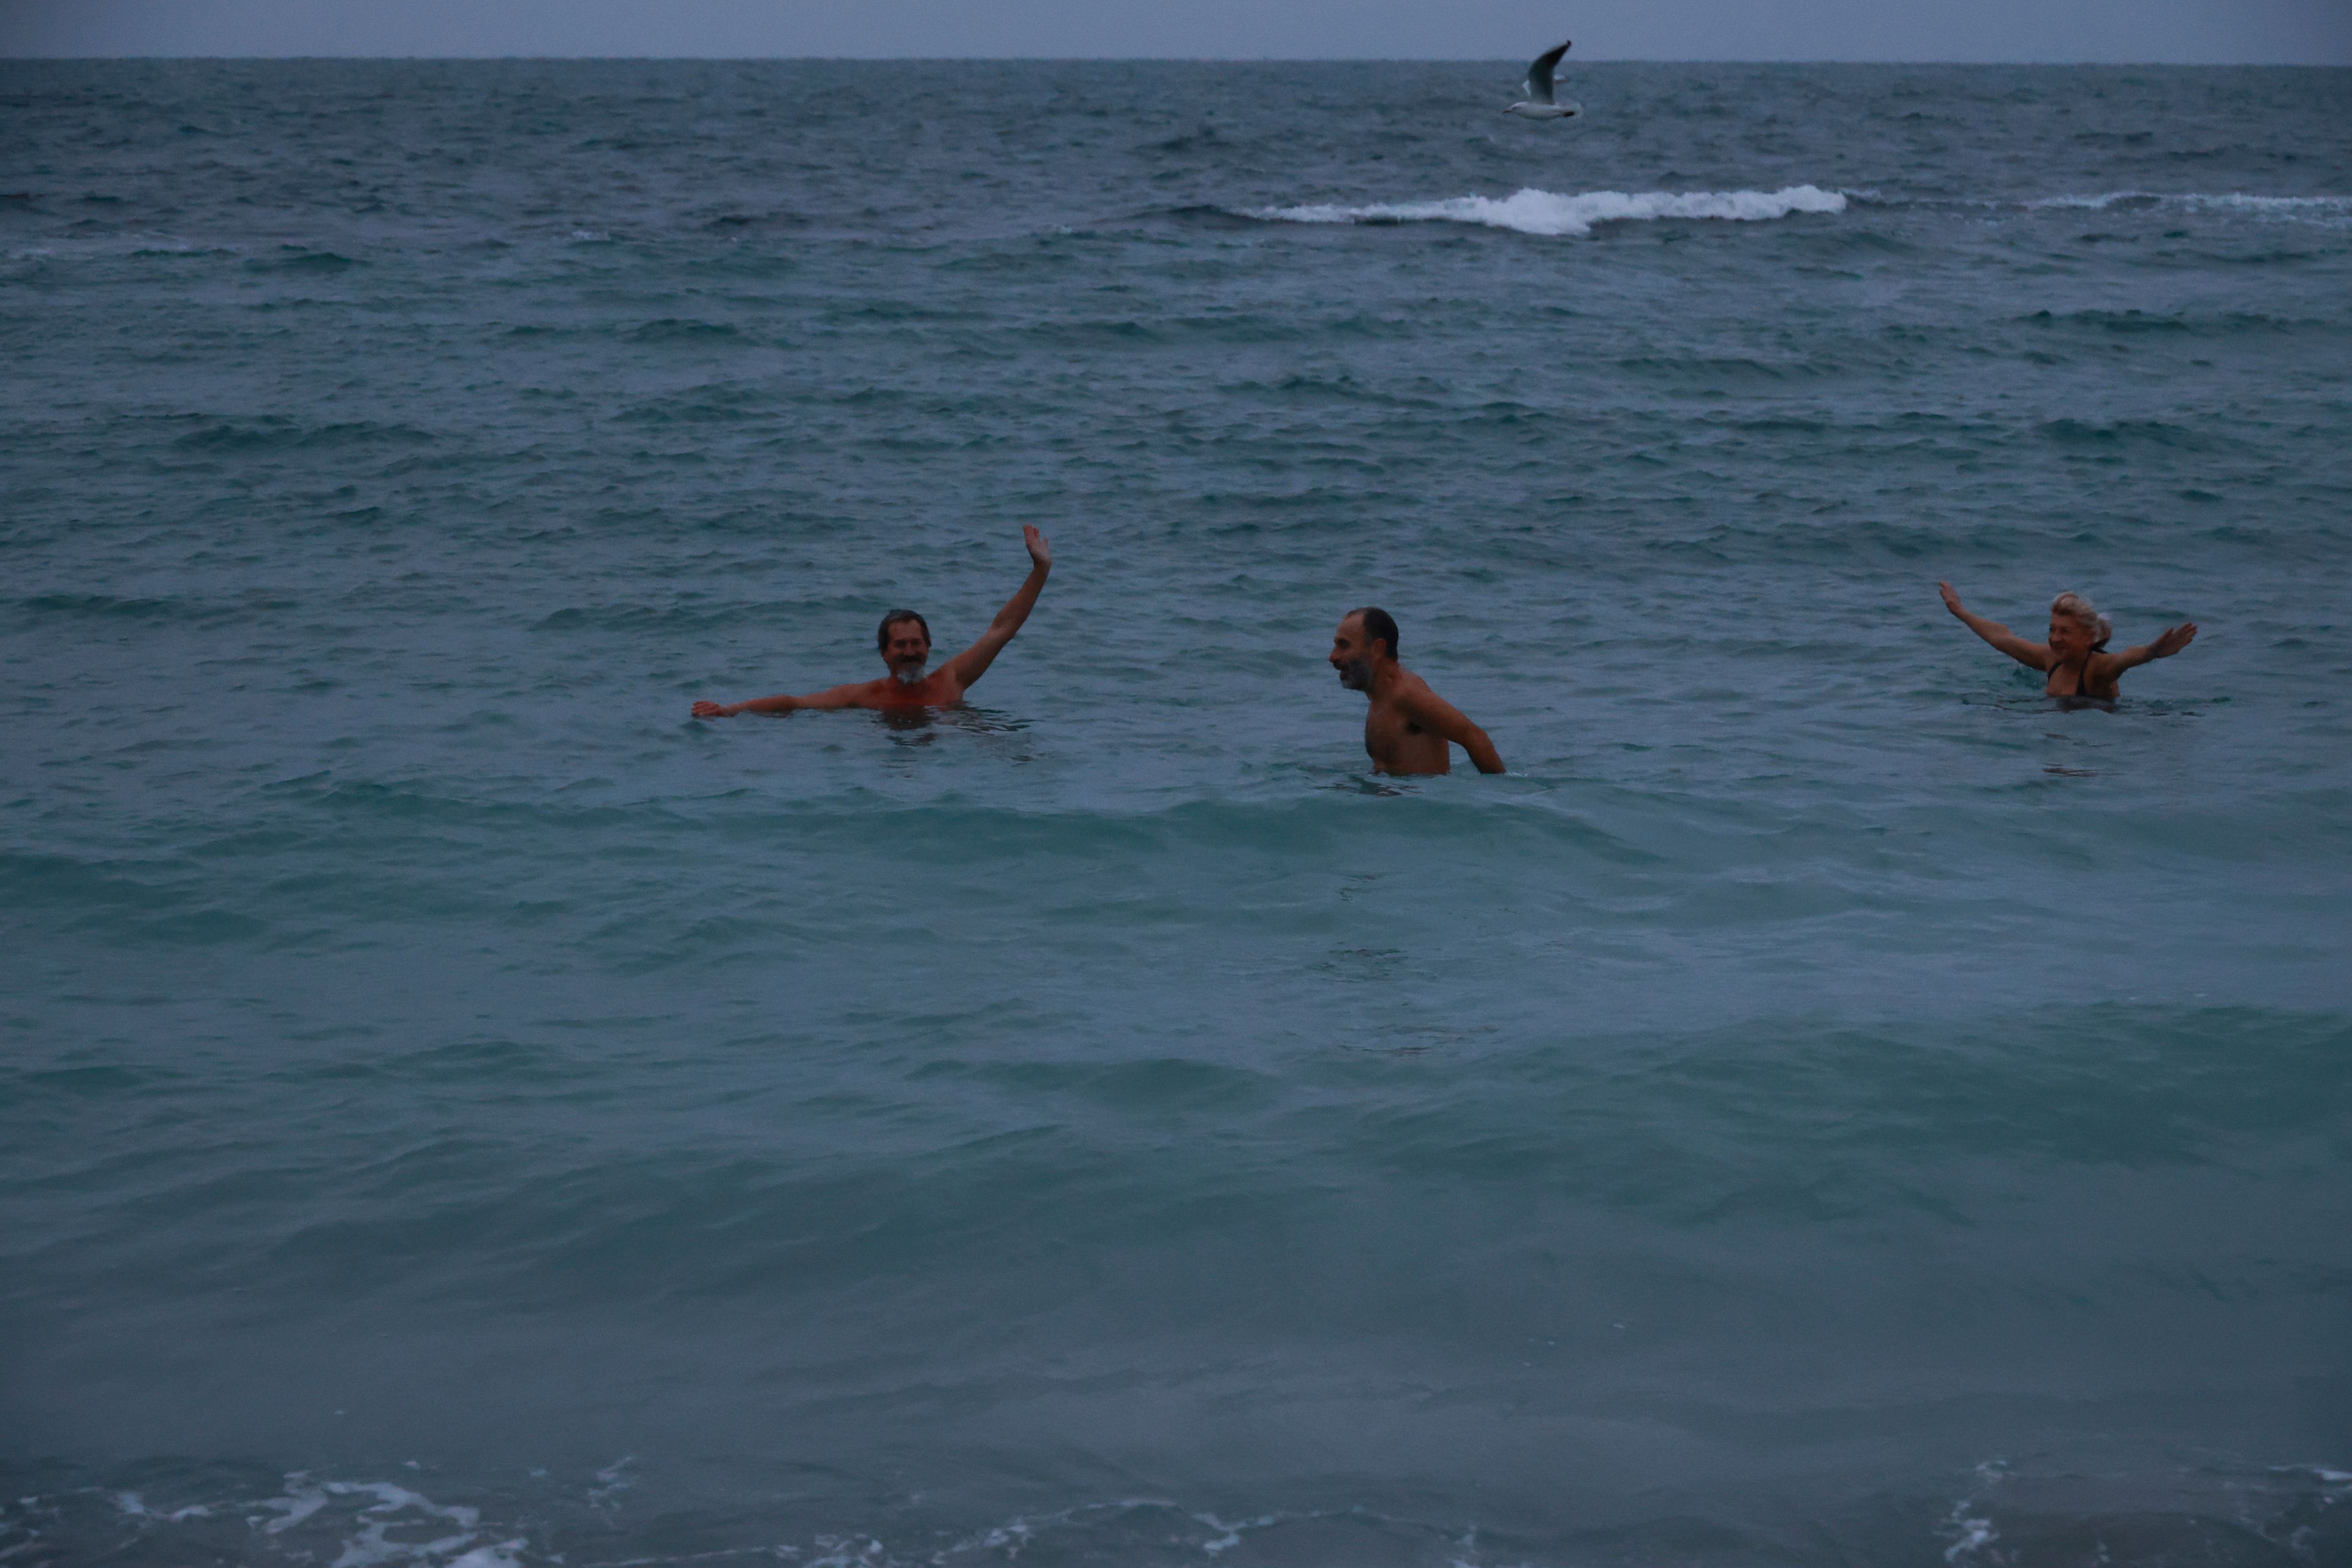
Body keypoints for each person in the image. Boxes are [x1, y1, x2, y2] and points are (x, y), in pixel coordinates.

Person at [692, 527, 1052, 717]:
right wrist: (730, 710)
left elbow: (1002, 630)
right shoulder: (864, 697)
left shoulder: (953, 680)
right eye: (900, 645)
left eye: (916, 644)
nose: (910, 652)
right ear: (884, 654)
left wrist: (1041, 570)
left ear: (928, 648)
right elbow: (793, 704)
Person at [1937, 582, 2197, 701]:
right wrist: (1960, 611)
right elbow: (2002, 638)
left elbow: (2127, 657)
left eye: (2064, 632)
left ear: (2088, 638)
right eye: (2052, 630)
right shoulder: (2050, 659)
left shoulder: (2098, 669)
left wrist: (2154, 651)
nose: (2054, 639)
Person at [1328, 606, 1506, 775]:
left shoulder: (1406, 694)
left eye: (1344, 646)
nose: (1332, 656)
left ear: (1377, 649)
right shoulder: (1379, 695)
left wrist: (1501, 796)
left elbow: (1474, 737)